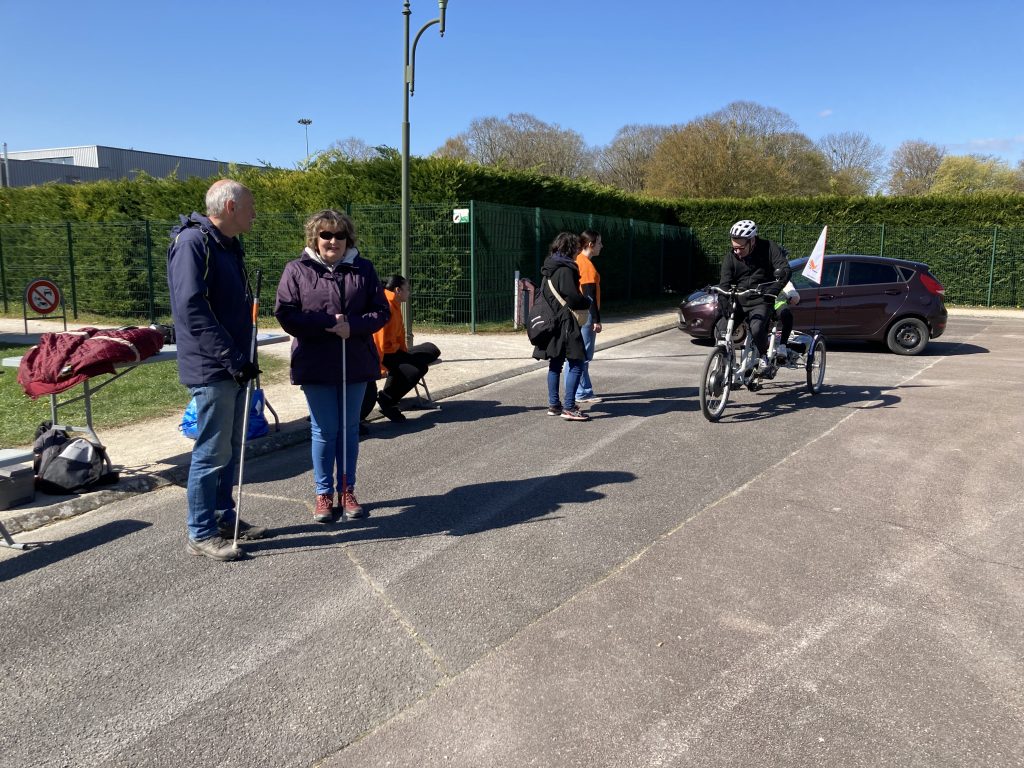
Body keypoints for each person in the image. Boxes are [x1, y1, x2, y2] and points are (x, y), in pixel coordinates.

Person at [167, 178, 267, 562]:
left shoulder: (228, 245)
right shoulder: (193, 243)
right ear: (230, 207)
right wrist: (233, 359)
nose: (254, 214)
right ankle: (200, 532)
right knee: (210, 452)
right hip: (213, 368)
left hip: (234, 364)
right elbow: (193, 310)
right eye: (250, 207)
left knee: (230, 448)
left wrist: (244, 358)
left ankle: (225, 517)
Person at [274, 210, 389, 524]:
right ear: (315, 238)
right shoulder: (295, 270)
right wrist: (326, 324)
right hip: (315, 362)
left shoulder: (363, 269)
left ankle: (347, 489)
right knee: (324, 430)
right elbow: (285, 313)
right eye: (326, 235)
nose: (333, 241)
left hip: (354, 360)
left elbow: (382, 311)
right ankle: (323, 493)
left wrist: (353, 326)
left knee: (350, 429)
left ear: (348, 239)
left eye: (339, 235)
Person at [359, 274, 441, 425]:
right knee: (417, 369)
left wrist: (404, 353)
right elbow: (378, 342)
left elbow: (399, 335)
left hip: (395, 351)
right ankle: (387, 400)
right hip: (383, 355)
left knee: (431, 350)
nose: (409, 292)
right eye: (407, 289)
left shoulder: (395, 303)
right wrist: (380, 368)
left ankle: (389, 396)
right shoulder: (386, 305)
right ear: (397, 290)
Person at [716, 219, 791, 371]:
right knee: (720, 329)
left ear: (752, 240)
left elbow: (785, 270)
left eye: (741, 248)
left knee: (756, 329)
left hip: (762, 299)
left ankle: (763, 356)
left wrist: (773, 291)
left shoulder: (769, 247)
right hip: (739, 300)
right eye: (734, 247)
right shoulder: (731, 257)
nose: (736, 251)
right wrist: (724, 303)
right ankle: (727, 365)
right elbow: (724, 284)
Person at [532, 232, 592, 422]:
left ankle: (554, 405)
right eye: (576, 248)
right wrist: (586, 302)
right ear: (570, 248)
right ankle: (569, 407)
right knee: (577, 362)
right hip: (566, 322)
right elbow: (572, 297)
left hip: (552, 321)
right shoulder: (566, 269)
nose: (578, 252)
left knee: (555, 363)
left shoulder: (549, 268)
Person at [565, 229, 603, 404]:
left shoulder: (577, 260)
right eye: (600, 243)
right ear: (591, 244)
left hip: (576, 313)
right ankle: (582, 392)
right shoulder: (586, 265)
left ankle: (579, 390)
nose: (602, 246)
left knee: (574, 354)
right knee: (583, 355)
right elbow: (589, 296)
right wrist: (596, 320)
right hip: (586, 315)